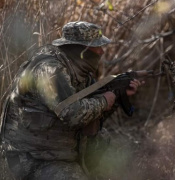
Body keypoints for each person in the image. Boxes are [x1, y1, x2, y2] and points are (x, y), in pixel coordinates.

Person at [0, 21, 143, 179]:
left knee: (109, 146)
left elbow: (92, 117)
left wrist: (116, 96)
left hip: (57, 150)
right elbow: (73, 114)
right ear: (81, 50)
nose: (102, 51)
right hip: (30, 157)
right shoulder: (50, 70)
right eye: (97, 46)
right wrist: (104, 100)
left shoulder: (80, 73)